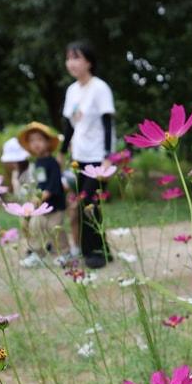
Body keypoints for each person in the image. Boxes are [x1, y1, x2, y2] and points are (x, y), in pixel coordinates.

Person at [61, 40, 116, 268]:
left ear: (89, 62)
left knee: (87, 204)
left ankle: (94, 254)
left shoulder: (99, 88)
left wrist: (107, 156)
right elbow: (69, 125)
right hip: (79, 158)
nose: (71, 63)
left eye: (76, 58)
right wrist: (61, 152)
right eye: (69, 58)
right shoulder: (72, 90)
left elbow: (107, 122)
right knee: (87, 204)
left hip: (97, 157)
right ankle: (100, 250)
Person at [16, 121, 68, 268]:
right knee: (36, 227)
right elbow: (40, 183)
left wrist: (37, 200)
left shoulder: (52, 163)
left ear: (48, 142)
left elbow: (51, 187)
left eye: (39, 139)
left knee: (55, 228)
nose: (36, 144)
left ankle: (64, 253)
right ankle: (38, 254)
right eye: (32, 141)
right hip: (41, 205)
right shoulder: (38, 163)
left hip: (54, 205)